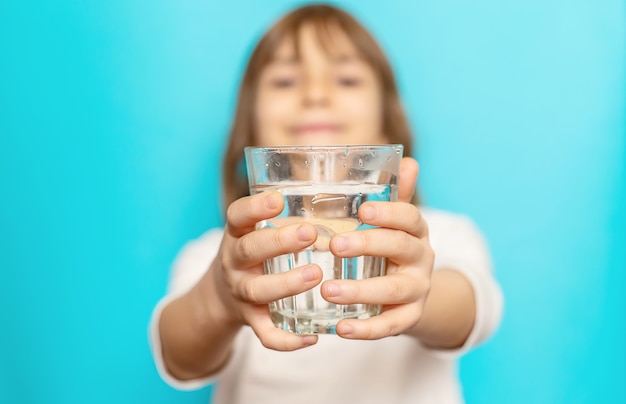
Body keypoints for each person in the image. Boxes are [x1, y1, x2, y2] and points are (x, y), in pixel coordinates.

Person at [149, 4, 503, 403]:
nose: (315, 95)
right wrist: (218, 295)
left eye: (347, 79)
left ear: (387, 123)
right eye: (285, 81)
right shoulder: (222, 256)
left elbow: (475, 310)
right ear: (251, 126)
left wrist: (417, 290)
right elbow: (178, 356)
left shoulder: (444, 235)